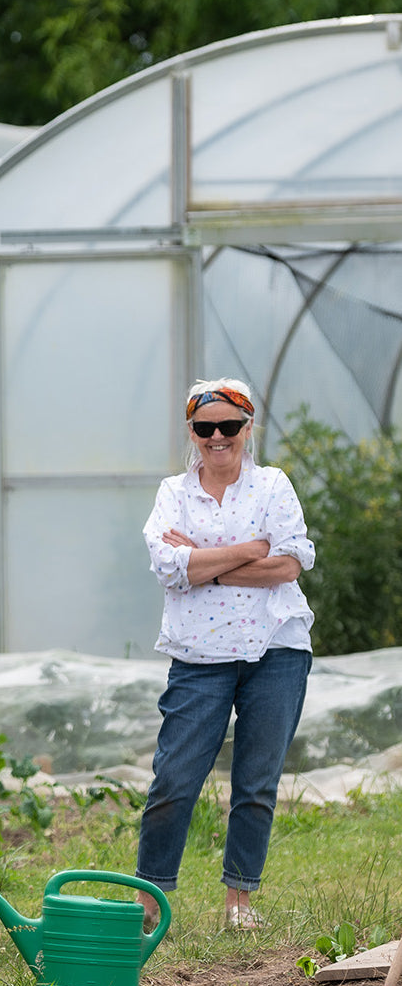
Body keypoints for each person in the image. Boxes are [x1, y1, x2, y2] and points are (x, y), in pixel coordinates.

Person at [135, 379, 314, 931]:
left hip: (276, 648)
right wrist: (246, 552)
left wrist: (203, 562)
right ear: (191, 432)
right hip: (198, 655)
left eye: (229, 426)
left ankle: (241, 903)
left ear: (247, 428)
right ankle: (150, 901)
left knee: (256, 784)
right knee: (173, 780)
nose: (218, 436)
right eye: (205, 427)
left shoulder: (273, 485)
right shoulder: (173, 492)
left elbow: (290, 564)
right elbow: (167, 567)